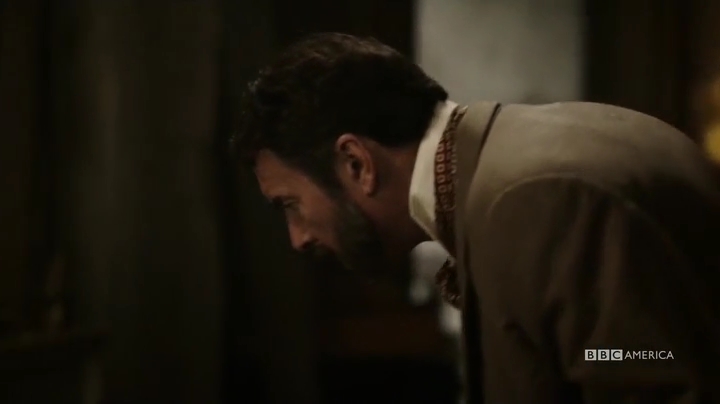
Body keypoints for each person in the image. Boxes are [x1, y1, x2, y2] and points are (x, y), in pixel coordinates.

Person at [231, 32, 720, 403]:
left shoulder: (528, 197)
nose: (297, 238)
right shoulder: (508, 170)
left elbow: (642, 360)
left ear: (356, 164)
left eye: (290, 204)